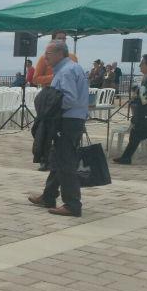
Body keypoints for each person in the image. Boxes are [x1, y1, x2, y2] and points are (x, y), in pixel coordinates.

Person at [28, 40, 89, 217]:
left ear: (59, 54)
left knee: (66, 162)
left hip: (67, 121)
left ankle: (72, 204)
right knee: (58, 158)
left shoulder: (67, 71)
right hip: (71, 120)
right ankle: (48, 196)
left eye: (48, 54)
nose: (45, 58)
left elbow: (69, 99)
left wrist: (49, 110)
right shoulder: (69, 68)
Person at [113, 54, 147, 165]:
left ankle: (127, 157)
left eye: (142, 63)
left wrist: (136, 89)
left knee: (137, 133)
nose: (139, 65)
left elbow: (145, 96)